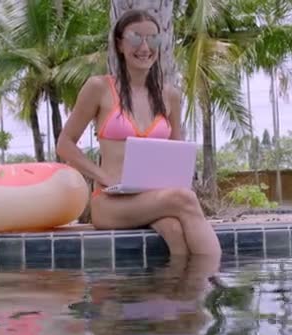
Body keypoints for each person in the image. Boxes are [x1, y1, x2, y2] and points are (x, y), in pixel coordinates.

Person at [56, 9, 221, 257]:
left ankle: (180, 290)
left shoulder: (170, 96)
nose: (145, 47)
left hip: (154, 199)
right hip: (111, 203)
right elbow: (64, 144)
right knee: (185, 200)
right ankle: (213, 286)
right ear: (120, 44)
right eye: (135, 38)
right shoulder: (99, 88)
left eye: (153, 39)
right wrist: (104, 177)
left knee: (175, 231)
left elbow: (177, 155)